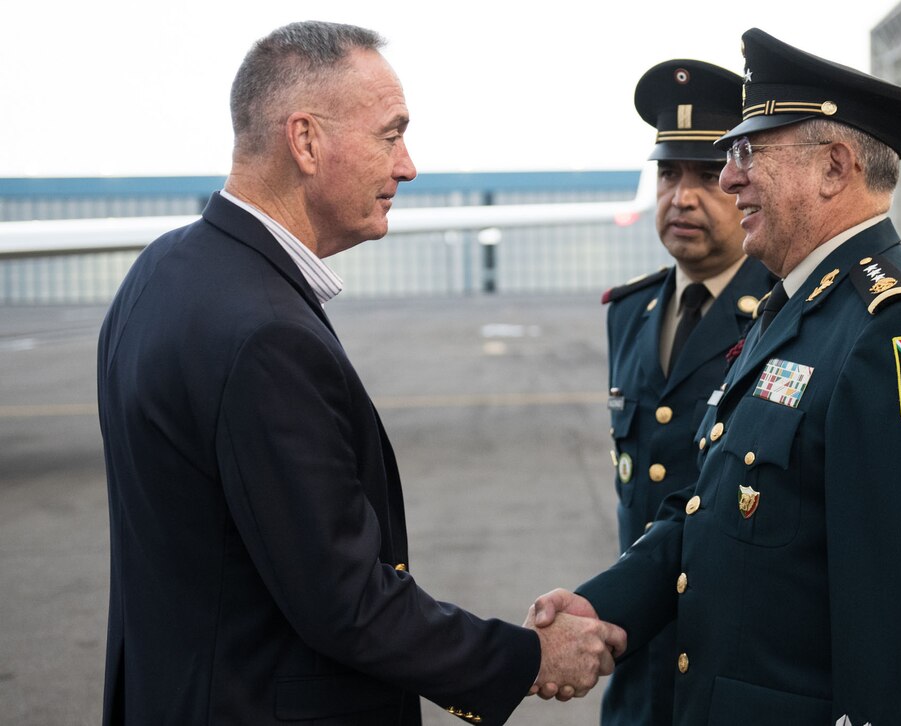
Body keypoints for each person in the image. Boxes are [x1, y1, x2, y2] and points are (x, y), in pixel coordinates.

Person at [96, 21, 623, 725]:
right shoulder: (265, 335)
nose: (407, 166)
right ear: (306, 141)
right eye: (390, 135)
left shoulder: (163, 272)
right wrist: (527, 659)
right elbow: (344, 603)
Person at [531, 27, 901, 725]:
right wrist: (606, 604)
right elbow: (712, 510)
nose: (728, 177)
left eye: (750, 151)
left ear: (834, 169)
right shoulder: (794, 306)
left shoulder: (900, 328)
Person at [599, 58, 773, 726]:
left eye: (707, 175)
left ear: (741, 180)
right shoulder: (630, 313)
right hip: (640, 663)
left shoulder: (783, 316)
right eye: (669, 173)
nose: (682, 197)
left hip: (734, 668)